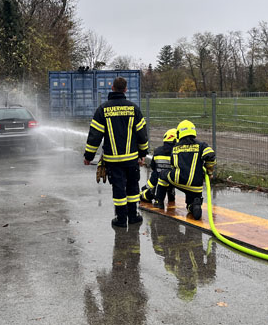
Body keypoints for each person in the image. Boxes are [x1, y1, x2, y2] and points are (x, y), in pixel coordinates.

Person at [84, 77, 149, 227]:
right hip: (132, 159)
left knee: (118, 188)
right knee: (133, 186)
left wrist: (89, 156)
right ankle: (133, 216)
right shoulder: (134, 109)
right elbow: (142, 135)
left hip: (113, 160)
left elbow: (95, 136)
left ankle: (120, 219)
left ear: (112, 88)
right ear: (125, 90)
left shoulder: (103, 110)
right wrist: (142, 154)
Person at [155, 119, 215, 220]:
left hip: (179, 180)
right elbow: (211, 156)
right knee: (192, 198)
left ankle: (159, 202)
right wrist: (209, 172)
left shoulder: (175, 148)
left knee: (163, 175)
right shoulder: (202, 145)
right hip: (196, 185)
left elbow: (173, 165)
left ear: (179, 133)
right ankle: (193, 205)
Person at [139, 128, 177, 205]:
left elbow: (153, 166)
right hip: (172, 180)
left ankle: (149, 194)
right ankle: (171, 193)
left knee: (143, 192)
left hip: (156, 179)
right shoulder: (177, 152)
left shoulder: (158, 151)